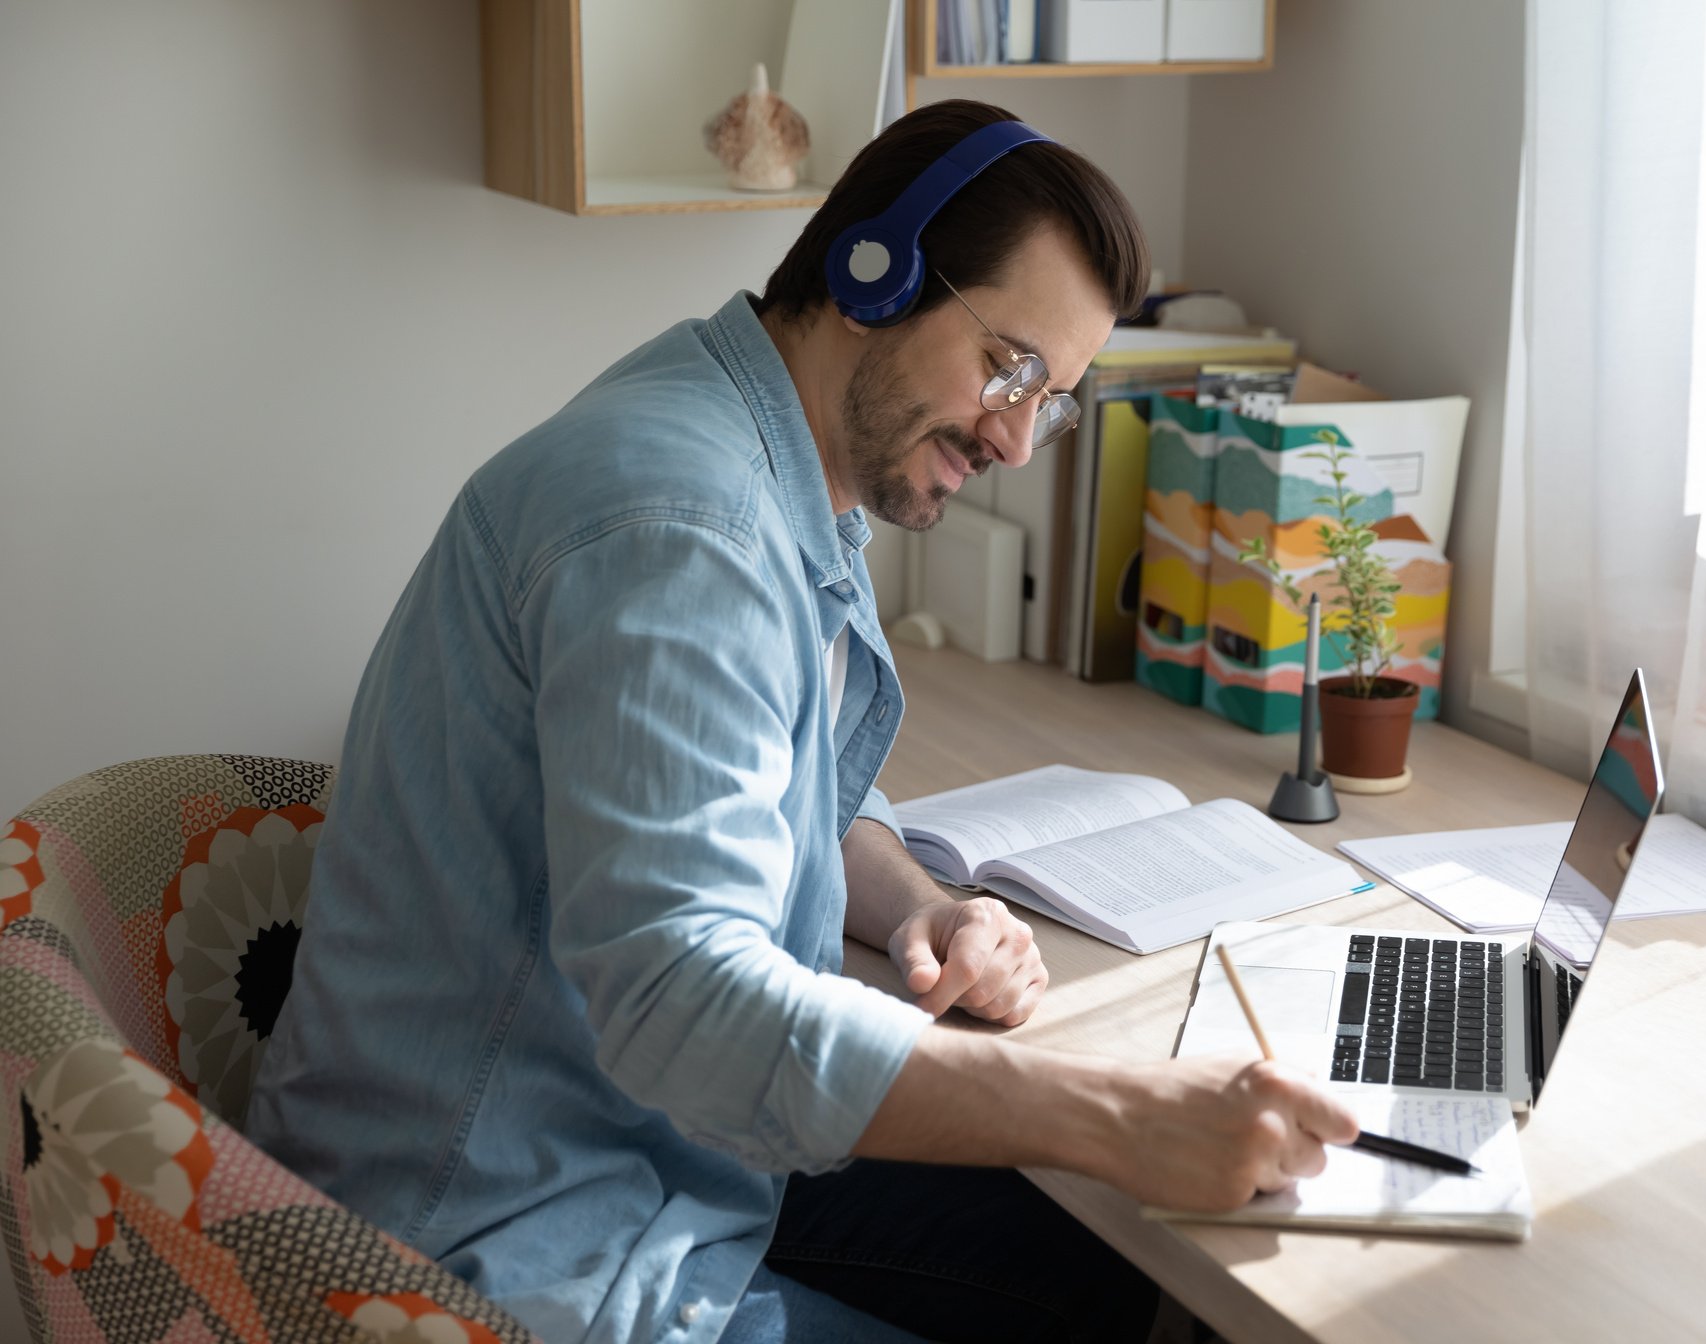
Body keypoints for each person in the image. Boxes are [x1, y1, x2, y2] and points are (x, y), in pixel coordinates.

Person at [247, 99, 1359, 1344]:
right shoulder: (684, 529)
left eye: (1048, 402)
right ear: (869, 271)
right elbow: (685, 1003)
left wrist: (916, 907)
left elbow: (781, 777)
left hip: (639, 1148)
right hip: (495, 1237)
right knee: (1121, 1230)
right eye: (1007, 369)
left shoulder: (751, 440)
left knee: (1103, 1267)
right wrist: (1114, 1111)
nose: (1011, 438)